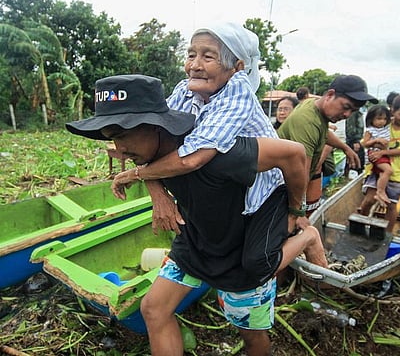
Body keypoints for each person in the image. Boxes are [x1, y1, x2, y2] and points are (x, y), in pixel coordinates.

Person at [66, 74, 328, 356]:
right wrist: (156, 190)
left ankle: (307, 238)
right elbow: (147, 162)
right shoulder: (148, 153)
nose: (120, 151)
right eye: (112, 139)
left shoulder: (215, 151)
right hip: (197, 235)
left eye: (122, 136)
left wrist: (295, 209)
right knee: (153, 309)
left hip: (240, 241)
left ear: (156, 126)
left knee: (250, 331)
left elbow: (294, 154)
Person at [109, 22, 292, 235]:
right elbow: (158, 135)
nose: (195, 65)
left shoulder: (239, 94)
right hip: (218, 187)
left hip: (259, 194)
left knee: (255, 263)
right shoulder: (184, 89)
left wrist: (134, 174)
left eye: (207, 57)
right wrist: (156, 191)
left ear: (237, 68)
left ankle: (309, 238)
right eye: (191, 55)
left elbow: (192, 158)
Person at [278, 74, 378, 216]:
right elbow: (301, 172)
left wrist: (345, 148)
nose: (347, 114)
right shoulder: (306, 120)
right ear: (330, 95)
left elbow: (323, 132)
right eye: (345, 107)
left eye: (353, 111)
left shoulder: (315, 105)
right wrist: (296, 212)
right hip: (281, 185)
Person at [359, 94, 400, 233]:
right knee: (369, 200)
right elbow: (366, 141)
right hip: (375, 168)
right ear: (393, 111)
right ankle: (361, 224)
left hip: (396, 171)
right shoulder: (384, 123)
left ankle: (388, 234)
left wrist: (382, 152)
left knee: (391, 205)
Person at [360, 105, 393, 206]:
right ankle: (380, 191)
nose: (382, 121)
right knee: (388, 170)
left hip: (383, 154)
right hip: (374, 153)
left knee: (383, 173)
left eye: (384, 119)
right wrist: (376, 140)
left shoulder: (385, 128)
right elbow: (365, 143)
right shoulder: (370, 130)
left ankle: (379, 193)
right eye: (379, 119)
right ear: (371, 119)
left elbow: (395, 118)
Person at [345, 109, 365, 174]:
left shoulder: (358, 112)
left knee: (357, 161)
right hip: (354, 141)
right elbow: (351, 128)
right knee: (354, 162)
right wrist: (355, 141)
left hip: (358, 140)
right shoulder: (353, 113)